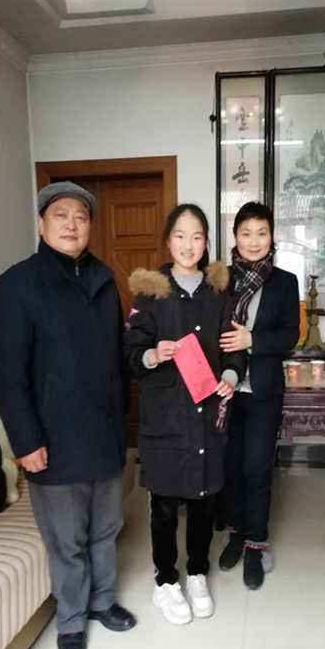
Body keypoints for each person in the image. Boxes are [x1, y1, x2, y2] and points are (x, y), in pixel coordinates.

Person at [0, 181, 136, 649]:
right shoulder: (15, 285)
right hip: (53, 438)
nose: (71, 224)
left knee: (106, 527)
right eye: (60, 215)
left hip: (104, 431)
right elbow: (4, 373)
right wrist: (25, 440)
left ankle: (102, 600)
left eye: (81, 216)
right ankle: (71, 621)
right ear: (41, 222)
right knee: (66, 540)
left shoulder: (104, 279)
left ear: (90, 226)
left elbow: (115, 357)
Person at [123, 203, 246, 625]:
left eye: (197, 237)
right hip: (167, 415)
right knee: (163, 504)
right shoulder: (151, 294)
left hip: (208, 413)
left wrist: (230, 374)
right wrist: (153, 354)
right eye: (180, 236)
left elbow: (234, 348)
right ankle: (165, 581)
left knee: (203, 501)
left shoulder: (218, 293)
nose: (188, 245)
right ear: (168, 241)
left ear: (206, 242)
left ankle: (196, 574)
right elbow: (131, 353)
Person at [218, 201, 300, 590]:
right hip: (224, 389)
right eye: (246, 233)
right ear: (235, 237)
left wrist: (251, 339)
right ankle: (235, 531)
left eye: (261, 233)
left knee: (257, 468)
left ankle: (255, 543)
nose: (254, 241)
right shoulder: (220, 279)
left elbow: (290, 335)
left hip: (263, 390)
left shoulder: (284, 282)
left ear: (271, 237)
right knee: (230, 466)